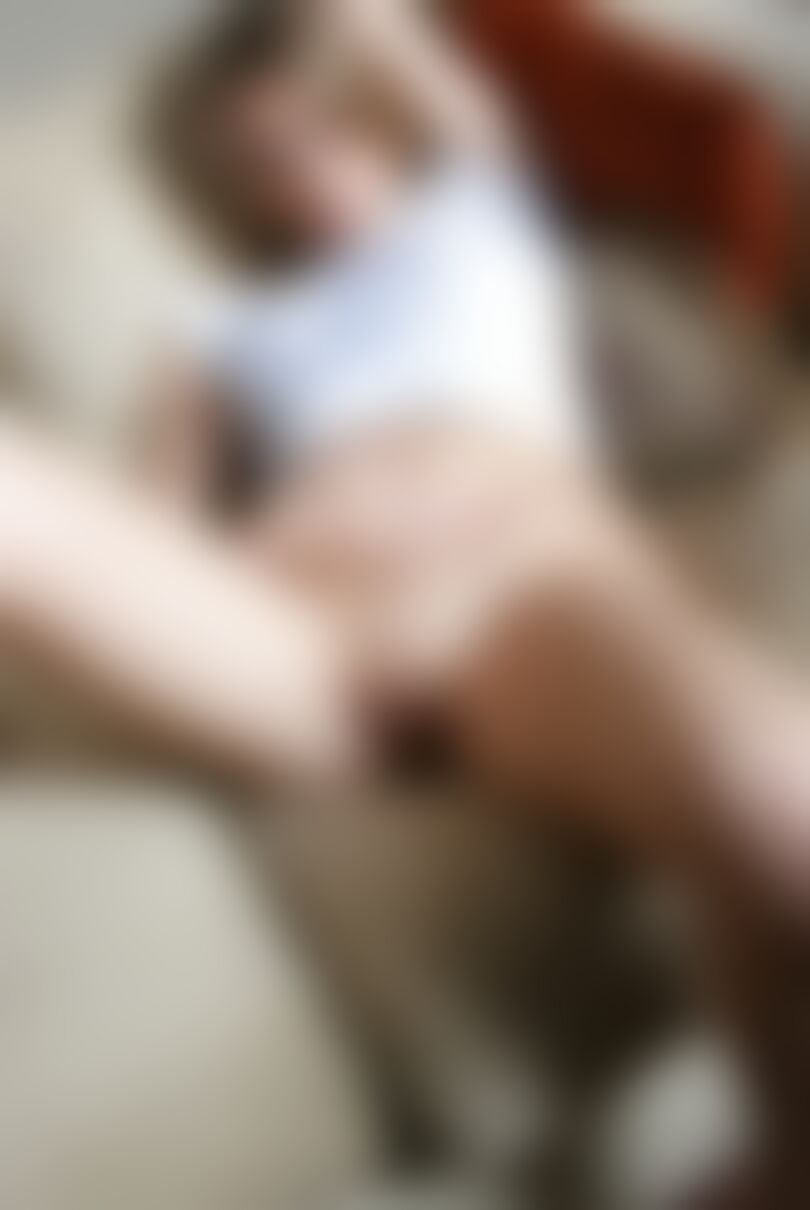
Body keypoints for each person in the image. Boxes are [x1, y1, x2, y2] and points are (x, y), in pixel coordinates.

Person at [1, 0, 807, 924]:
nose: (291, 169)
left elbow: (389, 37)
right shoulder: (221, 326)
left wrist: (326, 34)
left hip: (506, 585)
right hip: (296, 634)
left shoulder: (478, 210)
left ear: (364, 119)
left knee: (763, 811)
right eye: (260, 160)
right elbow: (160, 533)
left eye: (305, 132)